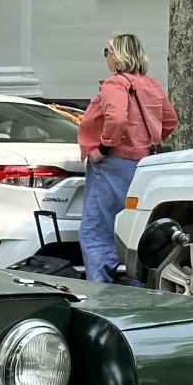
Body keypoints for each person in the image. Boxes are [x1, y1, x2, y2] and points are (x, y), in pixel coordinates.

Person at [76, 33, 177, 282]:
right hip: (143, 164)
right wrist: (148, 137)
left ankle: (99, 292)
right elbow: (170, 120)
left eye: (107, 52)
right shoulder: (150, 84)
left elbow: (117, 118)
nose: (106, 57)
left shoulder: (115, 84)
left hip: (112, 164)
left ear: (117, 55)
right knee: (133, 230)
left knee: (96, 232)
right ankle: (136, 289)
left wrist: (104, 148)